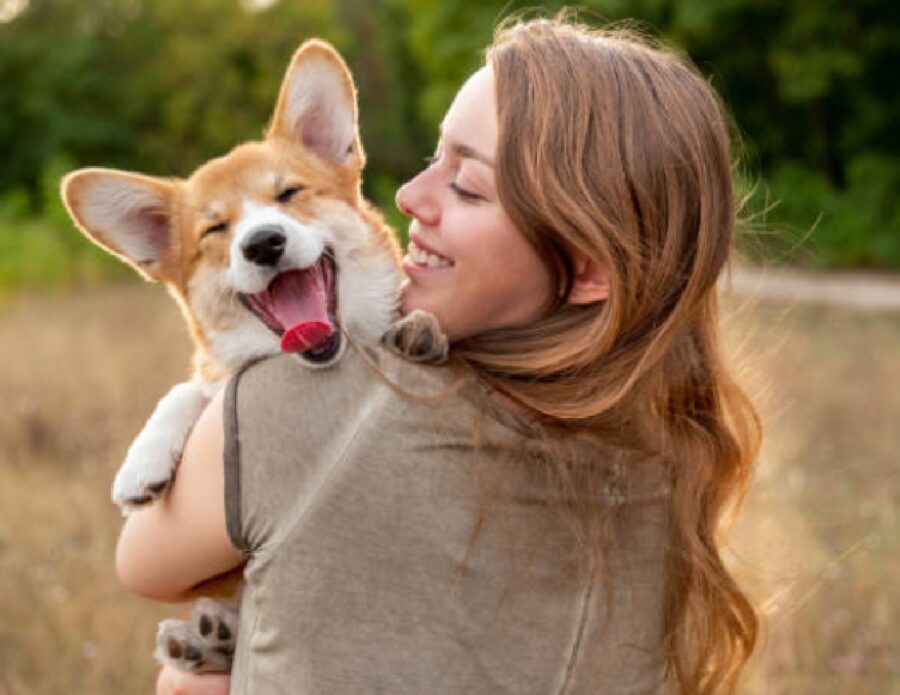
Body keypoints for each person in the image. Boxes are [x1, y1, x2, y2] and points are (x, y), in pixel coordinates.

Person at [118, 15, 761, 695]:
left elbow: (142, 565)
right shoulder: (674, 459)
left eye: (468, 185)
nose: (405, 197)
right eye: (435, 157)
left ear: (587, 266)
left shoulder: (301, 405)